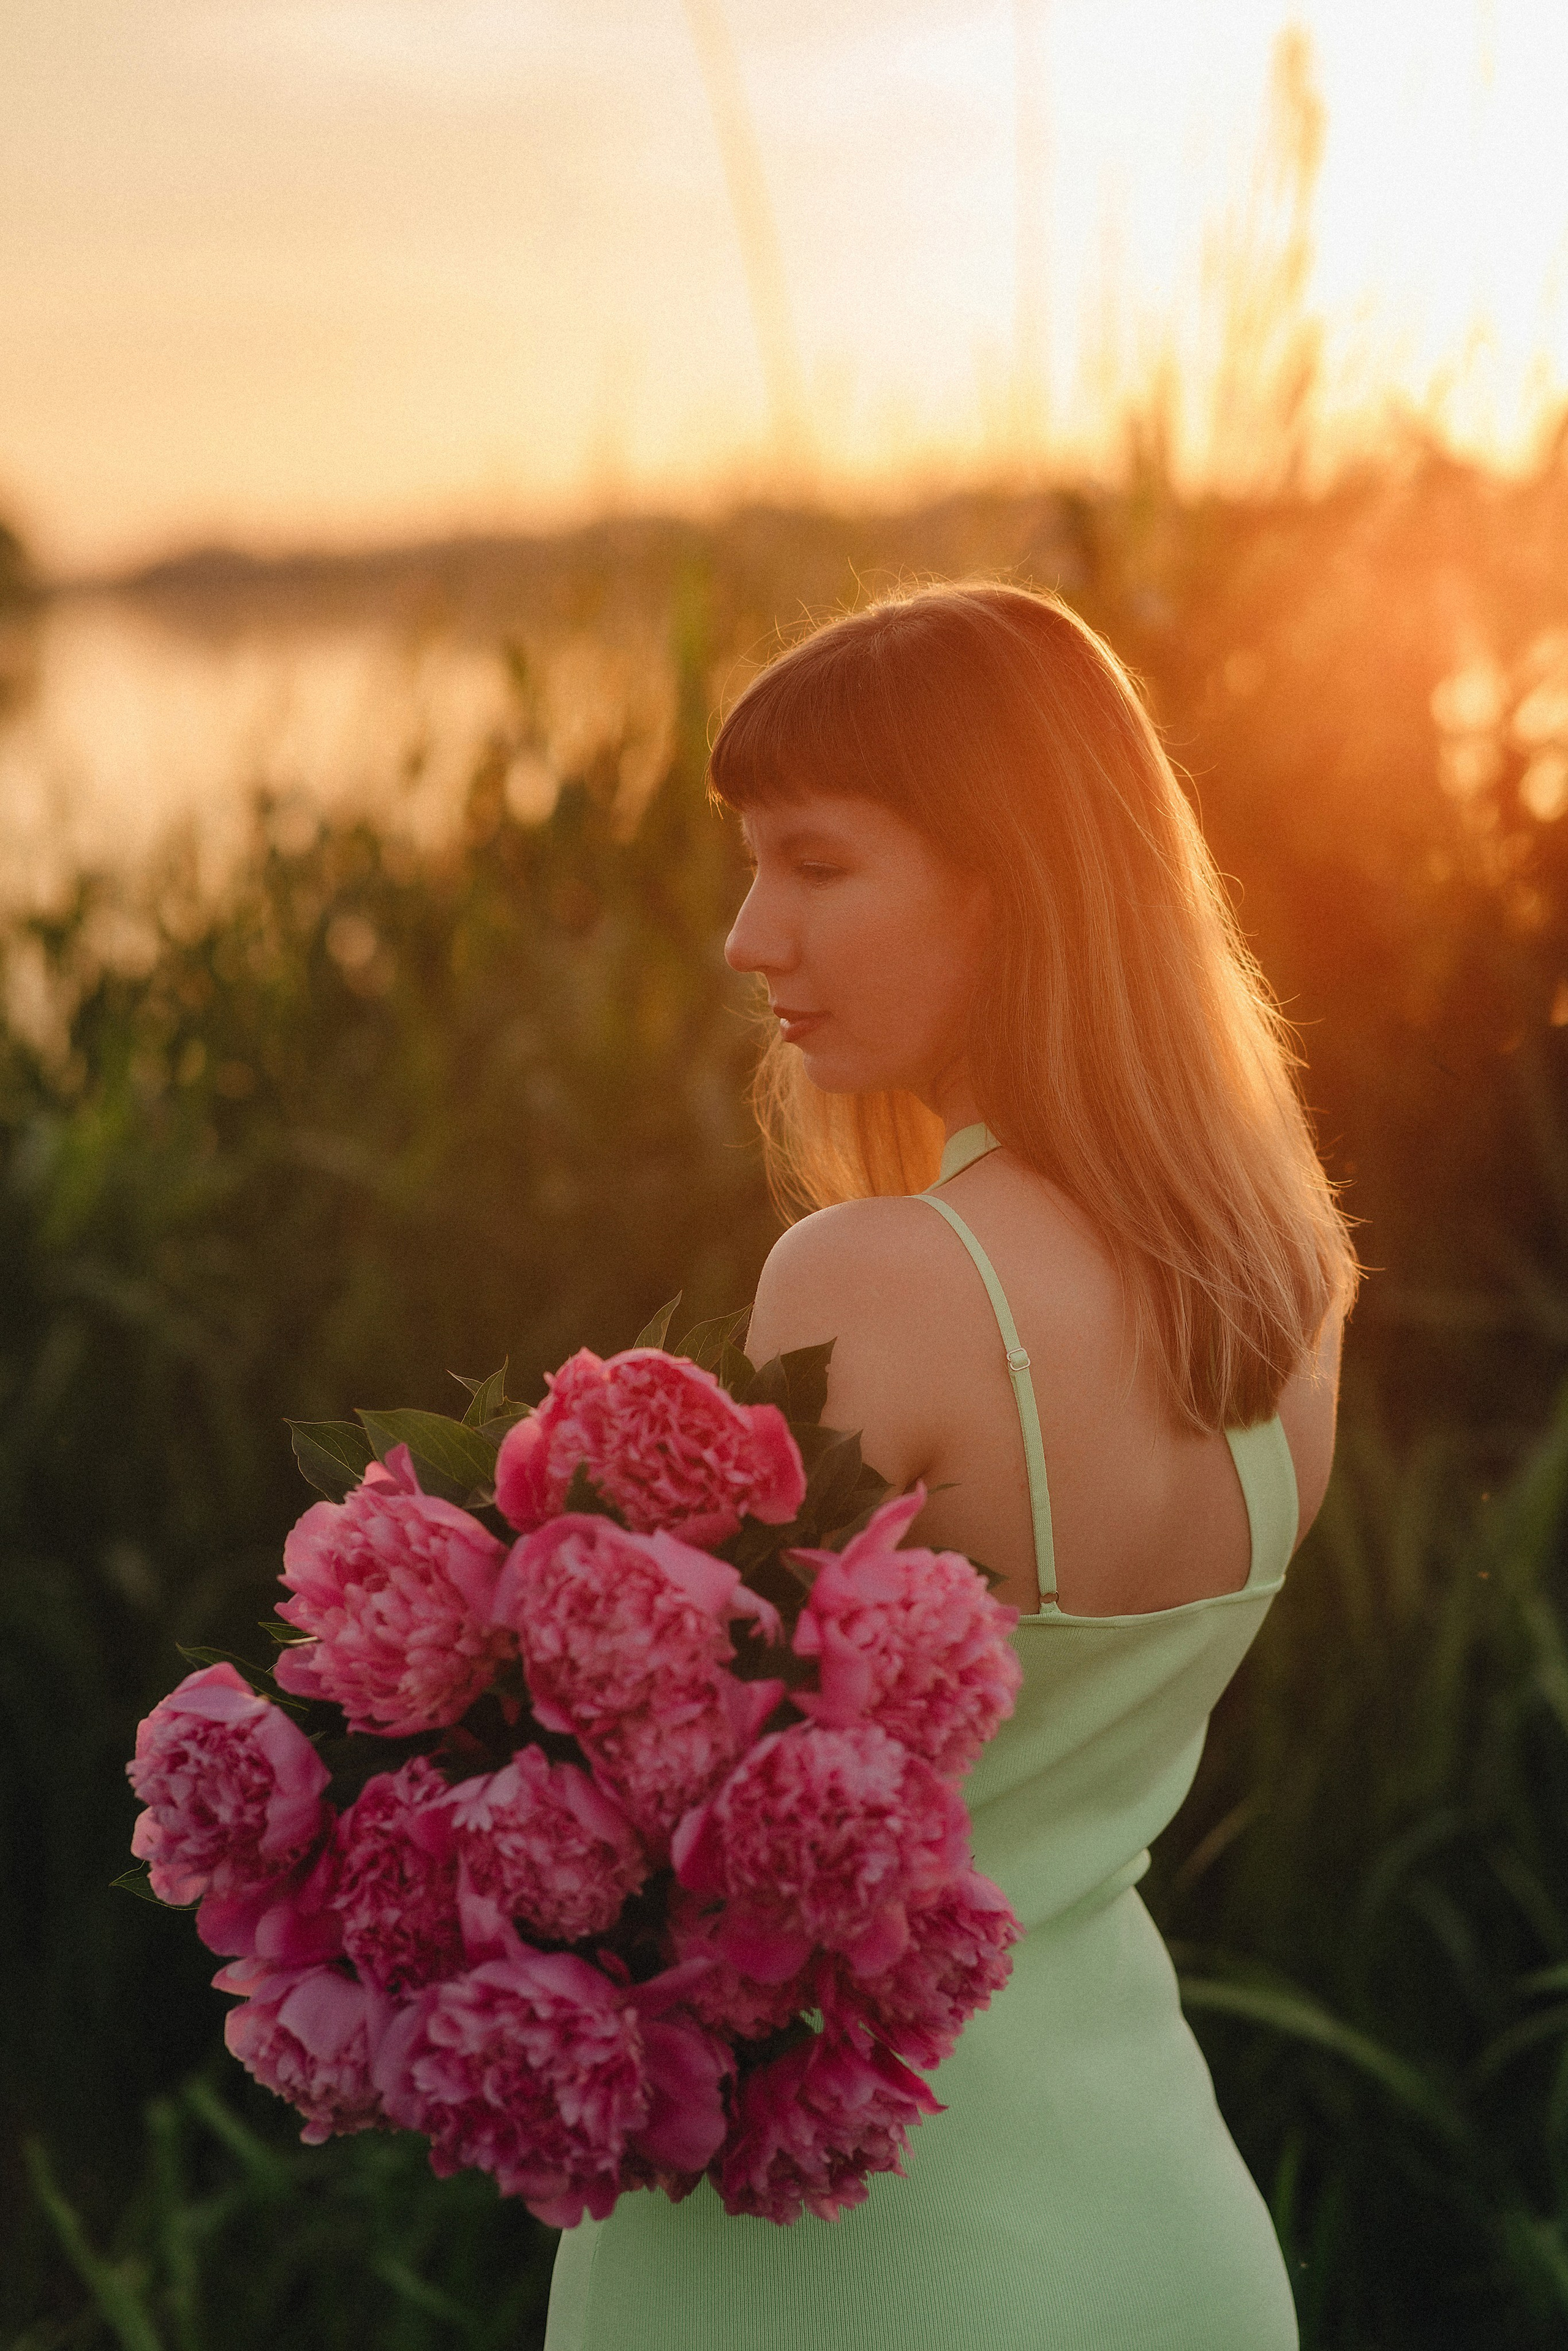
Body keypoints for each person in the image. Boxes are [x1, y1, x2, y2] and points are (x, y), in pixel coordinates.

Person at [545, 581, 1355, 2350]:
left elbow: (670, 1838)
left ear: (1014, 886)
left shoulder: (882, 1280)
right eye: (753, 867)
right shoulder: (1296, 1294)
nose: (753, 937)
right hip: (1154, 2208)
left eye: (819, 867)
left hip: (856, 2237)